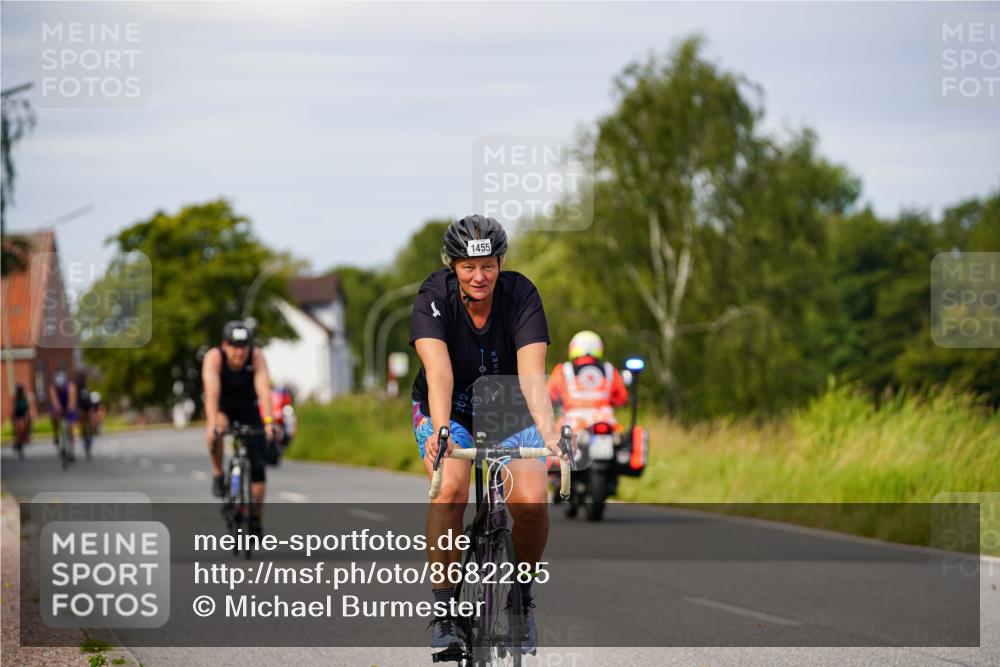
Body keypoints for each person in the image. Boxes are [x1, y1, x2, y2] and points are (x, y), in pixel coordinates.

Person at [410, 214, 568, 654]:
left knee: (531, 503)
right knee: (450, 490)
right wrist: (443, 429)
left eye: (488, 266)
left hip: (506, 404)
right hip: (451, 406)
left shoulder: (521, 295)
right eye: (468, 267)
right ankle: (445, 612)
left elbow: (532, 376)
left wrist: (549, 433)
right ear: (452, 266)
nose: (479, 276)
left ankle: (520, 600)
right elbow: (438, 373)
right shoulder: (434, 297)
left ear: (501, 262)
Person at [201, 321, 275, 532]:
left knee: (258, 465)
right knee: (214, 433)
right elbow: (212, 395)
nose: (240, 352)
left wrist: (269, 423)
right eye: (235, 346)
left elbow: (264, 391)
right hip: (223, 409)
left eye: (244, 347)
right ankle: (218, 473)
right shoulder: (214, 358)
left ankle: (256, 518)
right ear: (225, 345)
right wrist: (213, 424)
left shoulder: (256, 357)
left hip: (248, 410)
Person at [546, 330, 628, 432]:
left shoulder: (563, 370)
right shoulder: (610, 370)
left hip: (573, 423)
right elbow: (622, 398)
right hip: (605, 421)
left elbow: (547, 397)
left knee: (552, 435)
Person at [48, 370, 77, 460]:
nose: (60, 388)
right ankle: (56, 435)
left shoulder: (71, 387)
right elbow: (54, 399)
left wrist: (70, 407)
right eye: (58, 387)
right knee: (53, 416)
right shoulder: (53, 388)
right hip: (59, 406)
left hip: (68, 405)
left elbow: (72, 400)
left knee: (71, 428)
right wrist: (57, 407)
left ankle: (71, 449)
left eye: (61, 386)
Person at [11, 383, 33, 458]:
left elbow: (28, 407)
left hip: (24, 413)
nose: (20, 391)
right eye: (19, 390)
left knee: (25, 425)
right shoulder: (15, 398)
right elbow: (13, 409)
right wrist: (13, 417)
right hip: (18, 414)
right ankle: (18, 442)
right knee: (18, 428)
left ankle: (26, 436)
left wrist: (29, 414)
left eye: (21, 390)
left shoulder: (25, 397)